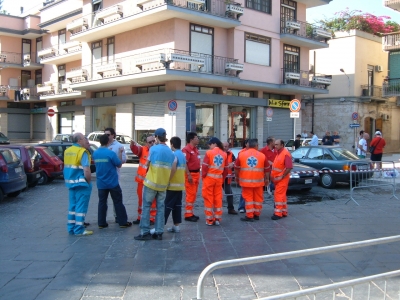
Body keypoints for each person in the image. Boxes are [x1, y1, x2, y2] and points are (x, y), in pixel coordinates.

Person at [134, 128, 175, 241]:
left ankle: (144, 232)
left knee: (146, 207)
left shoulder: (153, 149)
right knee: (160, 208)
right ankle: (159, 232)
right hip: (163, 185)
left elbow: (146, 164)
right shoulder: (170, 152)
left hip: (151, 183)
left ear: (156, 137)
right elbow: (172, 167)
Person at [93, 134, 132, 229]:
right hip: (112, 182)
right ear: (108, 142)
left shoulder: (95, 153)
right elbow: (119, 164)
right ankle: (122, 222)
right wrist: (119, 152)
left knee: (102, 202)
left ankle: (101, 223)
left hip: (101, 182)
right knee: (118, 202)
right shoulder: (110, 153)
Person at [63, 133, 93, 236]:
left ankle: (71, 228)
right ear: (79, 140)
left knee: (72, 207)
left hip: (70, 183)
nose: (86, 140)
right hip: (81, 184)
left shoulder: (68, 151)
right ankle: (79, 229)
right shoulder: (82, 152)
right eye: (84, 138)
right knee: (81, 207)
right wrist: (88, 181)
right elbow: (86, 170)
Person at [235, 139, 268, 222]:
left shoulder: (241, 155)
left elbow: (236, 168)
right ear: (256, 146)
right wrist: (267, 179)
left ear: (248, 145)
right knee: (258, 198)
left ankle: (250, 215)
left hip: (246, 182)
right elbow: (267, 169)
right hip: (259, 182)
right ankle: (257, 214)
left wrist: (237, 177)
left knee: (248, 199)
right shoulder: (262, 156)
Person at [130, 135, 157, 225]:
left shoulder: (157, 150)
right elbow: (136, 150)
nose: (152, 143)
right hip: (142, 182)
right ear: (146, 143)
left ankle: (152, 218)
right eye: (150, 142)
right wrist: (132, 145)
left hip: (152, 181)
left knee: (152, 201)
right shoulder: (143, 149)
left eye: (153, 141)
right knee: (141, 200)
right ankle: (140, 217)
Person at [202, 137, 227, 226]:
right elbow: (226, 169)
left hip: (209, 179)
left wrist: (203, 177)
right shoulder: (224, 154)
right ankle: (217, 219)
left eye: (210, 144)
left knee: (208, 198)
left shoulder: (209, 153)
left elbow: (204, 167)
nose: (209, 146)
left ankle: (209, 219)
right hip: (218, 179)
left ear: (214, 144)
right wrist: (222, 178)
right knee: (218, 198)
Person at [164, 136, 186, 233]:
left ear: (172, 144)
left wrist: (167, 180)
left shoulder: (174, 155)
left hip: (172, 185)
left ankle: (159, 226)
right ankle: (176, 226)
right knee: (177, 206)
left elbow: (173, 169)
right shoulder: (182, 155)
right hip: (180, 185)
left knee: (167, 206)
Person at [104, 128, 126, 223]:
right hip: (104, 177)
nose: (106, 136)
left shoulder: (119, 146)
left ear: (113, 135)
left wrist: (117, 157)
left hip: (115, 176)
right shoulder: (103, 146)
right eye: (105, 135)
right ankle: (102, 218)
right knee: (103, 200)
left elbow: (123, 160)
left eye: (108, 135)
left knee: (116, 198)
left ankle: (117, 215)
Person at [271, 139, 293, 220]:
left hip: (282, 178)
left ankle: (278, 213)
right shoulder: (279, 153)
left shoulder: (285, 154)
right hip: (278, 178)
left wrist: (283, 176)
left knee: (278, 195)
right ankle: (283, 211)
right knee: (282, 195)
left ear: (282, 145)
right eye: (275, 144)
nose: (275, 146)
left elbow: (289, 167)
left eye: (277, 144)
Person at [182, 132, 201, 222]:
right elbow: (184, 163)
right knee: (190, 194)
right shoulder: (186, 150)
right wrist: (188, 174)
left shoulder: (195, 149)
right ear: (191, 140)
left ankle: (191, 212)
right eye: (196, 138)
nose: (198, 139)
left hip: (196, 174)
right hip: (191, 174)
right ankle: (188, 214)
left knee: (193, 194)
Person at [222, 141, 238, 215]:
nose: (225, 148)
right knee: (216, 194)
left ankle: (230, 208)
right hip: (219, 176)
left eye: (226, 146)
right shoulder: (218, 153)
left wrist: (233, 164)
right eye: (224, 146)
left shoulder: (231, 154)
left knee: (229, 193)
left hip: (227, 177)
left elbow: (236, 162)